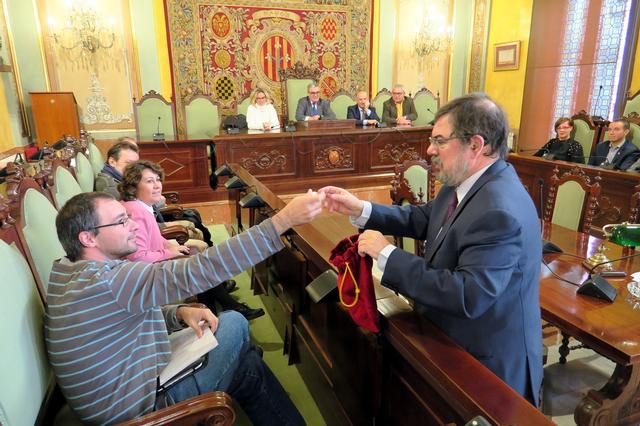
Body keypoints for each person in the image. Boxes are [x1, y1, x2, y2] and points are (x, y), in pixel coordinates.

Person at [320, 93, 543, 406]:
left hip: (487, 364)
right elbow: (424, 218)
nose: (430, 149)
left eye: (440, 140)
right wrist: (362, 209)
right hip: (454, 339)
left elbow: (468, 295)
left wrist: (387, 255)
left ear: (475, 145)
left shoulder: (498, 209)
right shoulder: (465, 180)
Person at [45, 189, 323, 424]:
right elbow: (199, 270)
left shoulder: (70, 272)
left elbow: (120, 316)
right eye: (121, 221)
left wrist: (178, 313)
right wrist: (282, 221)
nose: (134, 226)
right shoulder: (108, 280)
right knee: (235, 323)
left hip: (127, 390)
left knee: (247, 368)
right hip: (137, 412)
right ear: (88, 238)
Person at [119, 160, 263, 319]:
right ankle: (227, 307)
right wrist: (169, 253)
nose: (157, 185)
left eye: (158, 180)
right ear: (133, 187)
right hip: (146, 275)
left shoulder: (141, 206)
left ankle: (213, 311)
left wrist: (170, 247)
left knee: (199, 258)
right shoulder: (136, 212)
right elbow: (138, 257)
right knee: (200, 266)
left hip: (153, 263)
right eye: (149, 181)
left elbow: (154, 236)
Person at [95, 139, 213, 246]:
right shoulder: (109, 186)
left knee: (193, 219)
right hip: (146, 232)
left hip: (152, 223)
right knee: (195, 230)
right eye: (129, 163)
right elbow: (135, 222)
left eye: (136, 164)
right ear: (112, 161)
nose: (135, 169)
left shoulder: (119, 178)